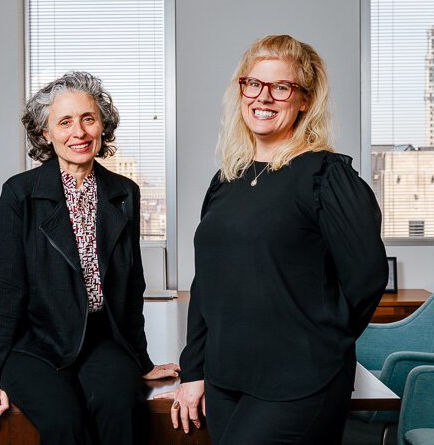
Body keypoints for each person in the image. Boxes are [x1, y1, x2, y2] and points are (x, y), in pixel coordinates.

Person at [165, 35, 388, 444]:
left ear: (304, 99)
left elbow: (367, 278)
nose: (263, 98)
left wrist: (321, 341)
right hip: (226, 377)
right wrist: (194, 369)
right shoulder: (227, 179)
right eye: (254, 84)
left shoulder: (327, 176)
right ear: (241, 90)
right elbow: (207, 284)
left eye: (281, 87)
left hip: (300, 380)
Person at [0, 71, 179, 444]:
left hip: (100, 339)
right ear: (46, 133)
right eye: (64, 122)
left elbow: (130, 289)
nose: (78, 132)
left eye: (88, 119)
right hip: (34, 343)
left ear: (102, 126)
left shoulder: (124, 192)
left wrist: (142, 362)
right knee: (66, 424)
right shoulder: (20, 193)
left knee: (123, 408)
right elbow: (5, 290)